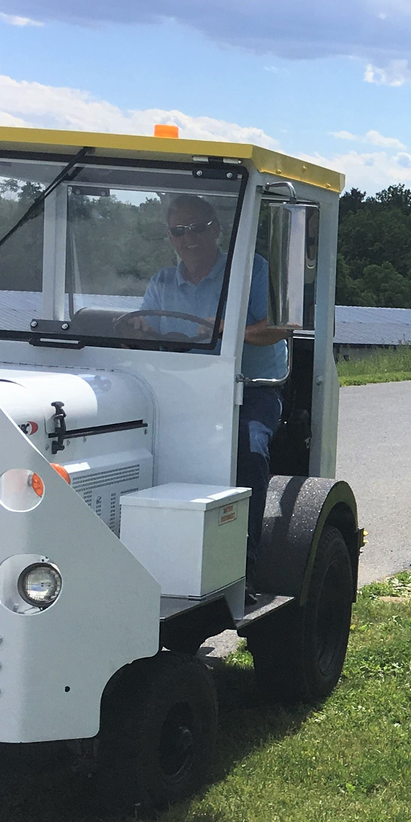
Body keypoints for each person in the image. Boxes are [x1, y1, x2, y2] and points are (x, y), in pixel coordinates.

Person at [138, 194, 293, 555]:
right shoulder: (162, 282)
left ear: (217, 230)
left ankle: (244, 558)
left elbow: (281, 328)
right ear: (170, 236)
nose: (188, 238)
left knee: (248, 449)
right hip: (178, 390)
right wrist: (137, 331)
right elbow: (144, 329)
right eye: (178, 231)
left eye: (197, 228)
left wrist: (227, 329)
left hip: (248, 390)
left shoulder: (252, 270)